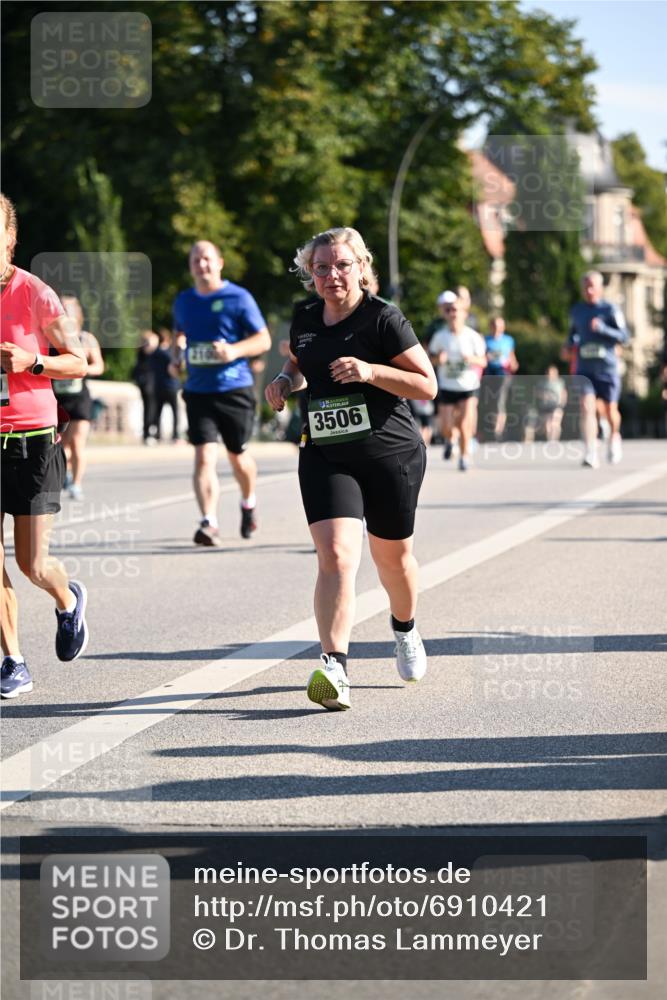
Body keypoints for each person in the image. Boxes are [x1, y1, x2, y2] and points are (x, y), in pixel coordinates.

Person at [265, 226, 437, 712]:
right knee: (337, 556)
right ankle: (335, 667)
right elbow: (302, 365)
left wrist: (370, 371)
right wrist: (283, 380)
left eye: (342, 265)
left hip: (388, 454)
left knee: (393, 560)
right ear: (310, 274)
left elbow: (427, 385)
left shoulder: (384, 319)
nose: (332, 275)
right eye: (321, 268)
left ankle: (404, 630)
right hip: (326, 450)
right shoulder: (304, 318)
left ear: (361, 267)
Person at [0, 193, 89, 699]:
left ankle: (67, 598)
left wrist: (31, 362)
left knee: (32, 564)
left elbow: (76, 361)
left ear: (9, 239)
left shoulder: (37, 294)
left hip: (32, 440)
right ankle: (13, 659)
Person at [173, 241, 271, 545]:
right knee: (203, 456)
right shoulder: (184, 300)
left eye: (206, 259)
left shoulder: (239, 298)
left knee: (237, 456)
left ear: (220, 263)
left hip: (234, 389)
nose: (201, 265)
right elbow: (180, 333)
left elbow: (263, 339)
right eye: (195, 260)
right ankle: (209, 522)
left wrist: (233, 350)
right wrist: (178, 355)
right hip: (198, 390)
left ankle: (248, 501)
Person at [566, 270, 628, 467]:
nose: (589, 290)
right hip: (585, 369)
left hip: (607, 368)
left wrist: (603, 329)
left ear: (601, 288)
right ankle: (591, 451)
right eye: (586, 286)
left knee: (610, 410)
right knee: (587, 407)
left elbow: (624, 336)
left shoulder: (610, 310)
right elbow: (572, 335)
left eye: (593, 286)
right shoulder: (577, 311)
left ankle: (614, 436)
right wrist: (569, 345)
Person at [429, 293, 487, 470]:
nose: (452, 313)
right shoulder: (440, 336)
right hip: (447, 385)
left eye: (456, 310)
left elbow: (483, 361)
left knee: (464, 423)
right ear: (445, 314)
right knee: (446, 427)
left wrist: (472, 359)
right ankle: (450, 440)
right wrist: (439, 359)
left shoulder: (473, 336)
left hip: (468, 385)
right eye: (449, 310)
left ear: (464, 313)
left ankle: (464, 457)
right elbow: (429, 359)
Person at [55, 296, 105, 499]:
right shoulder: (50, 337)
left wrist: (80, 368)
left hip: (79, 398)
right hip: (57, 398)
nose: (66, 314)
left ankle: (76, 484)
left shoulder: (86, 339)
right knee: (60, 444)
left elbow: (99, 366)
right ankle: (64, 473)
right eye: (62, 309)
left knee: (76, 441)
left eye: (69, 310)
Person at [483, 316, 519, 441]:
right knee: (490, 402)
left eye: (500, 326)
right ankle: (489, 429)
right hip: (488, 373)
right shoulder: (485, 340)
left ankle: (497, 432)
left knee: (499, 401)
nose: (497, 329)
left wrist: (513, 364)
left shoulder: (508, 340)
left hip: (503, 374)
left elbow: (512, 357)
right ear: (491, 326)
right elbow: (481, 357)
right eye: (495, 326)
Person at [525, 365, 567, 442]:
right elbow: (536, 392)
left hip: (557, 405)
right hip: (545, 406)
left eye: (553, 372)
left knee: (555, 422)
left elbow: (563, 392)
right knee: (548, 424)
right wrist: (543, 395)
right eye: (549, 372)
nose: (550, 374)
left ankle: (554, 439)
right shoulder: (542, 383)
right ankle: (550, 440)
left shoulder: (560, 382)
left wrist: (563, 402)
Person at [133, 331, 160, 445]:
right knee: (149, 409)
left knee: (153, 409)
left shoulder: (155, 354)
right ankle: (147, 433)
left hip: (154, 385)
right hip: (147, 385)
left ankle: (152, 432)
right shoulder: (144, 354)